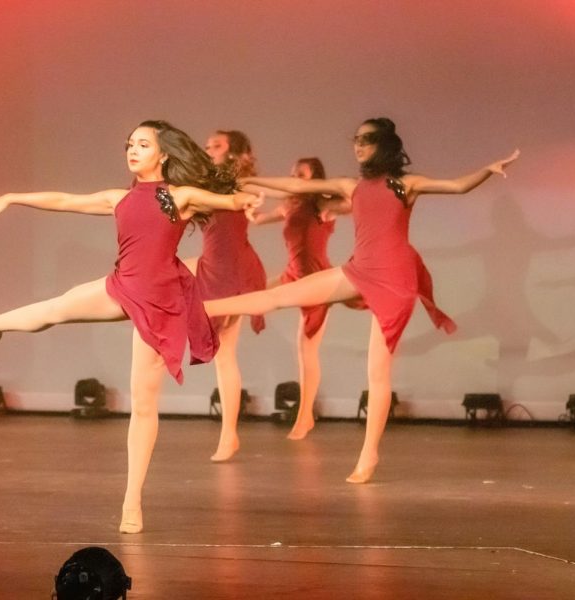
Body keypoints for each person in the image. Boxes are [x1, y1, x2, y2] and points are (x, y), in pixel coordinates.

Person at [0, 120, 262, 532]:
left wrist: (247, 199)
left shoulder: (179, 197)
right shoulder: (119, 198)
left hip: (161, 301)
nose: (132, 151)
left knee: (143, 400)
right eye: (129, 145)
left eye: (142, 144)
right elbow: (65, 200)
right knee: (56, 308)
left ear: (165, 154)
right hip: (123, 285)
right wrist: (14, 198)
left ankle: (132, 501)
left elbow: (230, 200)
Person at [205, 118, 519, 483]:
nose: (359, 146)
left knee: (377, 372)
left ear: (384, 145)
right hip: (359, 269)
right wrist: (250, 181)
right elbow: (295, 185)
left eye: (367, 141)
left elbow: (457, 185)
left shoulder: (406, 185)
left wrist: (488, 170)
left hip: (396, 279)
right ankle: (201, 307)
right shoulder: (350, 186)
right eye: (356, 140)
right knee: (278, 296)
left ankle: (368, 456)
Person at [186, 130, 266, 462]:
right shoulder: (207, 185)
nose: (209, 151)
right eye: (207, 146)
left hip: (232, 269)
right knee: (224, 356)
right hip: (215, 268)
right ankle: (228, 436)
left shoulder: (241, 185)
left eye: (216, 146)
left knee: (224, 354)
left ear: (233, 153)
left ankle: (228, 435)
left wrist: (251, 208)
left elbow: (249, 201)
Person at [249, 157, 338, 440]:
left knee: (305, 351)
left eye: (300, 175)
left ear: (315, 178)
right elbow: (258, 219)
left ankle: (305, 417)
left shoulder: (323, 206)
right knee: (250, 295)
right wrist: (250, 207)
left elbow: (349, 203)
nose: (293, 179)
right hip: (292, 273)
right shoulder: (289, 205)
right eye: (291, 174)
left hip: (315, 279)